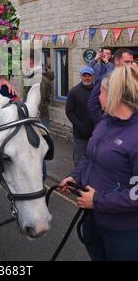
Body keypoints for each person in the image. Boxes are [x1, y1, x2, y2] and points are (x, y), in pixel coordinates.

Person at [60, 66, 138, 261]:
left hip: (122, 231)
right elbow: (89, 157)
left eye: (101, 91)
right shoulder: (105, 122)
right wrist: (75, 177)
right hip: (92, 218)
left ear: (114, 95)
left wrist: (97, 200)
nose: (96, 96)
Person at [88, 48, 134, 126]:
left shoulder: (132, 79)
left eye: (131, 62)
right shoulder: (104, 79)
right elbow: (92, 105)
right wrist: (105, 124)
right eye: (126, 62)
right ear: (116, 60)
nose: (129, 65)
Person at [66, 67, 95, 165]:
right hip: (80, 133)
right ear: (81, 76)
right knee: (80, 159)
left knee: (93, 158)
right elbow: (69, 112)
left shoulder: (97, 91)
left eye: (89, 75)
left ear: (93, 76)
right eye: (84, 75)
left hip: (95, 132)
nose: (87, 78)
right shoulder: (74, 91)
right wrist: (80, 126)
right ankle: (77, 179)